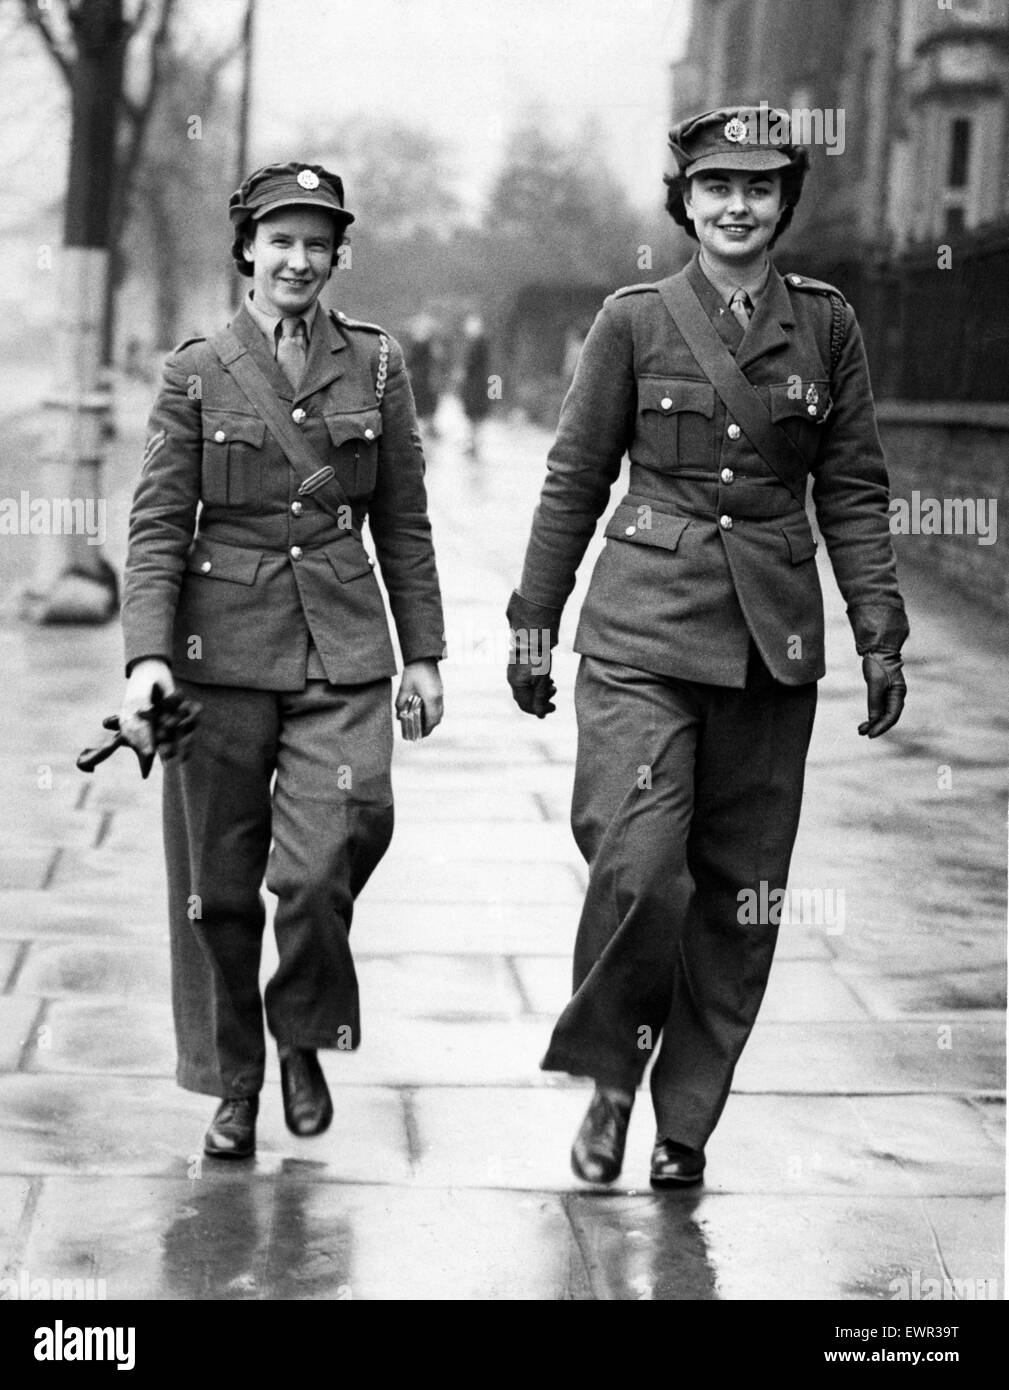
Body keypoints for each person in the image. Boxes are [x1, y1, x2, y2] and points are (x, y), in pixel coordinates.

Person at [506, 107, 908, 1188]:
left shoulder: (825, 327)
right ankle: (609, 1080)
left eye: (760, 187)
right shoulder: (631, 322)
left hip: (769, 649)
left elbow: (854, 491)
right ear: (682, 201)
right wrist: (532, 621)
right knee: (638, 866)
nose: (737, 205)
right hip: (641, 631)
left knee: (740, 897)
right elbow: (573, 476)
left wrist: (877, 631)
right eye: (716, 187)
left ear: (784, 203)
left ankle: (685, 1122)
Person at [118, 161, 445, 1159]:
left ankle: (301, 1022)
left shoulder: (378, 366)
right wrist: (145, 660)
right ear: (247, 251)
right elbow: (157, 527)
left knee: (330, 849)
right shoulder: (196, 370)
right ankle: (233, 1082)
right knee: (215, 888)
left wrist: (424, 655)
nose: (298, 258)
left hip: (341, 652)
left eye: (317, 242)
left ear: (336, 253)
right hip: (217, 659)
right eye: (281, 240)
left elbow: (403, 521)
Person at [459, 314, 491, 457]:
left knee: (474, 416)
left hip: (476, 386)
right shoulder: (478, 343)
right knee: (473, 417)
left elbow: (471, 365)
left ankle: (474, 444)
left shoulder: (478, 343)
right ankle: (473, 443)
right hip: (477, 385)